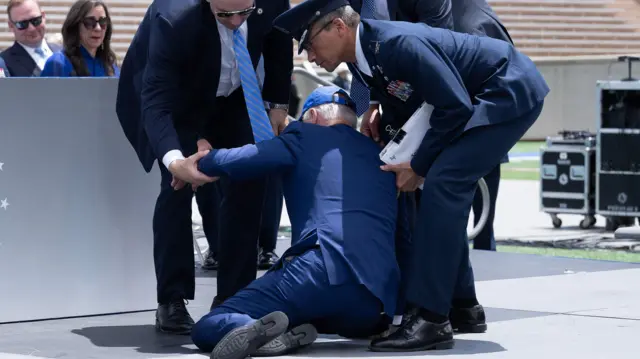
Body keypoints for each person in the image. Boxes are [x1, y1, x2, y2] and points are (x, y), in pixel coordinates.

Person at [273, 0, 549, 351]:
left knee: (444, 184)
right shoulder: (367, 55)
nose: (310, 58)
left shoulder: (393, 44)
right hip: (478, 95)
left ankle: (432, 320)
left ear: (338, 28)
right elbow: (414, 99)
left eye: (310, 43)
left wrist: (418, 167)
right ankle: (463, 305)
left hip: (505, 90)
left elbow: (454, 105)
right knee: (440, 188)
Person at [115, 0, 293, 335]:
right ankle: (172, 298)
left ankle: (235, 297)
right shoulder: (173, 18)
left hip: (237, 94)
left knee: (250, 175)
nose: (238, 22)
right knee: (176, 187)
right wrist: (177, 161)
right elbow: (157, 101)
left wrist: (278, 104)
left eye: (246, 13)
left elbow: (279, 42)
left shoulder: (270, 3)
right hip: (177, 95)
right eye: (226, 14)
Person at [187, 85, 400, 358]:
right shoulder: (379, 154)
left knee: (210, 325)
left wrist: (198, 163)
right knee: (312, 315)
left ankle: (254, 328)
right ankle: (288, 332)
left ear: (312, 115)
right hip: (373, 299)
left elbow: (246, 158)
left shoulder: (304, 134)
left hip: (317, 271)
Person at [40, 0, 119, 77]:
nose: (98, 28)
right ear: (76, 25)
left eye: (103, 21)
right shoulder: (57, 63)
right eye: (90, 22)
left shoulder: (111, 66)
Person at [0, 0, 60, 77]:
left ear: (43, 16)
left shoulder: (67, 53)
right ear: (11, 26)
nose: (31, 28)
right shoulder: (4, 63)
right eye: (22, 24)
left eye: (35, 20)